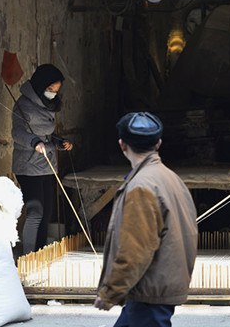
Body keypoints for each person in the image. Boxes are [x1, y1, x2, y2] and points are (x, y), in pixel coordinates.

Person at [94, 112, 198, 327]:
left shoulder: (142, 186)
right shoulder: (169, 177)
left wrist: (111, 292)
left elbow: (136, 249)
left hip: (149, 291)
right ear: (158, 143)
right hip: (154, 287)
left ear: (122, 145)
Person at [11, 64, 73, 255]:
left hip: (47, 165)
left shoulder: (47, 105)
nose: (53, 94)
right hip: (28, 166)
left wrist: (60, 142)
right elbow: (18, 133)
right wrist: (34, 142)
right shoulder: (23, 104)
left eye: (56, 90)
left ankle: (40, 255)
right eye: (50, 89)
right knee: (35, 213)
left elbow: (48, 135)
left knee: (46, 214)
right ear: (40, 85)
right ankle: (29, 257)